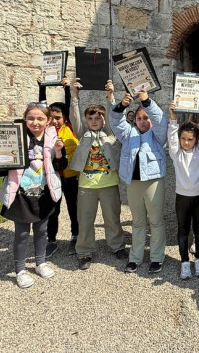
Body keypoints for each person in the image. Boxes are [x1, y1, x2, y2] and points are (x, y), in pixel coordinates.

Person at [0, 101, 67, 289]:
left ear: (48, 121)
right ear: (24, 119)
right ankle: (20, 269)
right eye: (31, 118)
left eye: (40, 118)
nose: (35, 122)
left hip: (43, 194)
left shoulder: (53, 139)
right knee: (21, 233)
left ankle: (40, 262)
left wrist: (59, 152)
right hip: (21, 194)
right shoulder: (16, 138)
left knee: (42, 231)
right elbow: (3, 170)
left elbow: (61, 167)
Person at [109, 88, 168, 274]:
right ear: (134, 120)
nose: (143, 121)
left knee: (156, 221)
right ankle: (135, 257)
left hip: (153, 182)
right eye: (139, 118)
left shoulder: (158, 135)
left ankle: (157, 257)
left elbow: (160, 120)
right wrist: (122, 105)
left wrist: (147, 101)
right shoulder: (128, 134)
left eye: (146, 118)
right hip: (133, 184)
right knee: (138, 221)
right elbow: (115, 121)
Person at [68, 79, 125, 270]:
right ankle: (84, 251)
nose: (94, 121)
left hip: (109, 184)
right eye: (91, 118)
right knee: (85, 220)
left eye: (98, 118)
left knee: (112, 218)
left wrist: (110, 97)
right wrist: (74, 96)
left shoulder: (110, 132)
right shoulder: (82, 133)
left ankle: (116, 245)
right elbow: (74, 118)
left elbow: (113, 117)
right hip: (87, 186)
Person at [168, 101, 199, 280]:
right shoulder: (176, 153)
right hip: (182, 197)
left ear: (196, 139)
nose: (186, 142)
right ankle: (185, 262)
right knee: (183, 229)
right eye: (183, 139)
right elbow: (171, 134)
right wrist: (173, 116)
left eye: (190, 139)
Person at [38, 76, 79, 257]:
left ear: (64, 118)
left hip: (70, 176)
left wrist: (67, 88)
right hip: (52, 177)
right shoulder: (46, 131)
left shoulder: (69, 126)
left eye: (58, 117)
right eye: (52, 118)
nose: (55, 121)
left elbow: (70, 106)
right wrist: (42, 86)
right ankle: (52, 240)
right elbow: (41, 106)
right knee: (53, 210)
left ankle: (75, 236)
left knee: (73, 208)